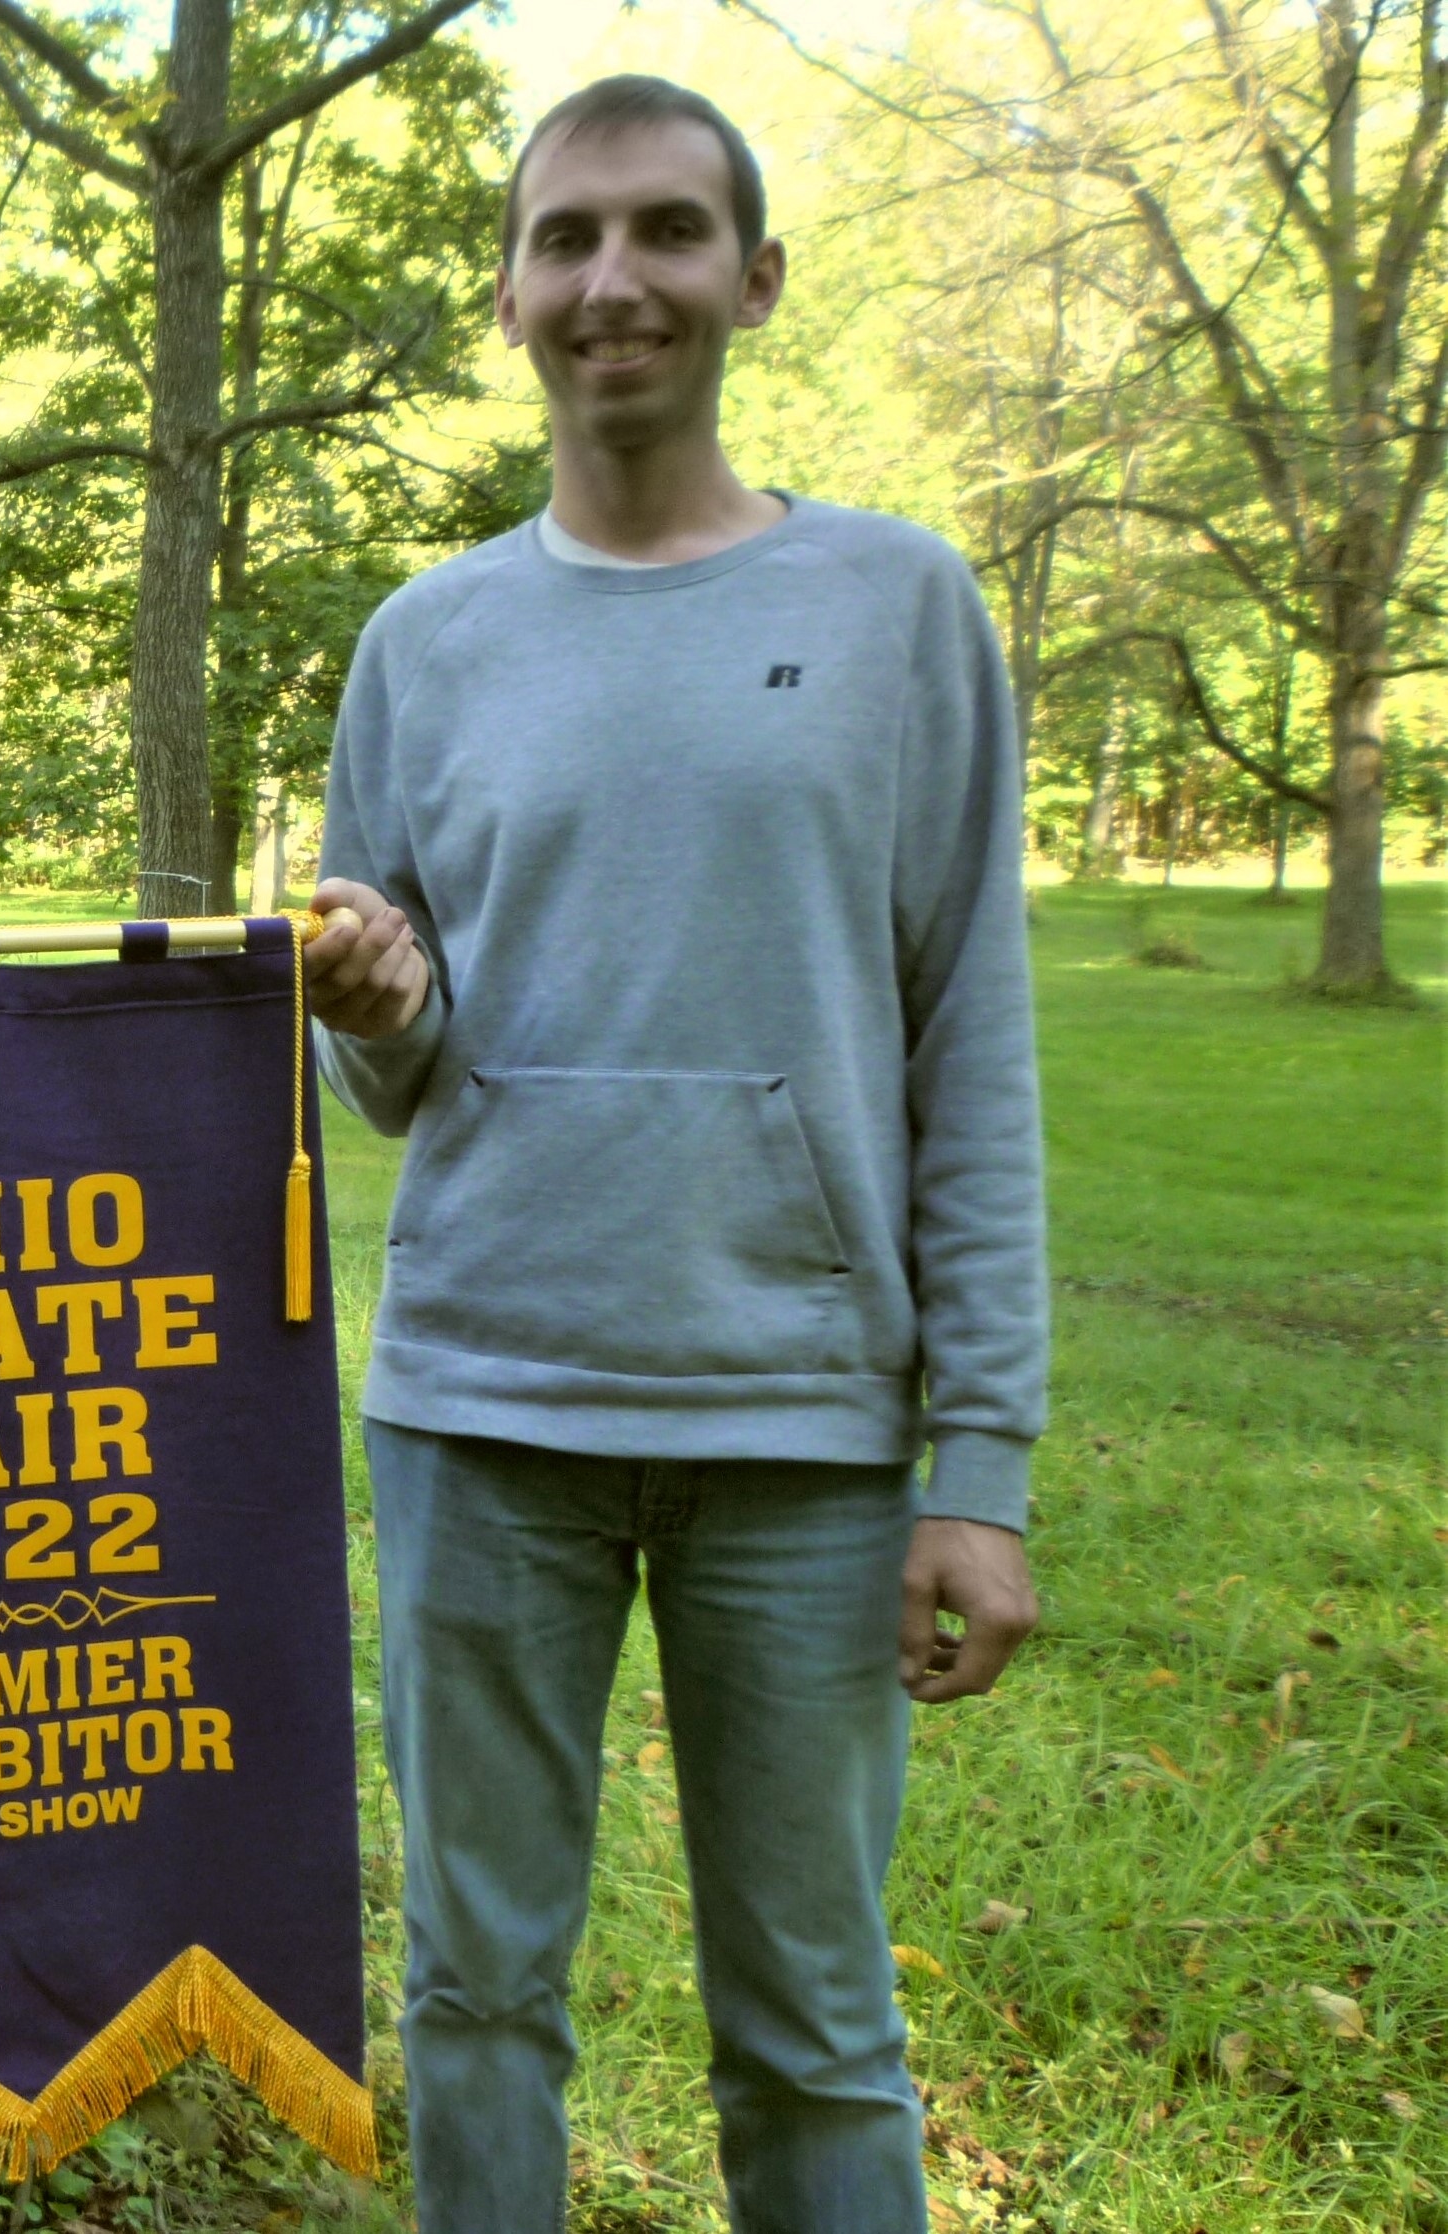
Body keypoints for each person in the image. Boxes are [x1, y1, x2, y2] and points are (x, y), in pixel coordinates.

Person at [299, 77, 1044, 2234]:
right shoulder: (419, 645)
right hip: (477, 1407)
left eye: (659, 233)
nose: (608, 282)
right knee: (471, 1990)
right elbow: (408, 1067)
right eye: (562, 241)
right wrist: (378, 1005)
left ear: (750, 276)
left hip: (801, 1436)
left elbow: (965, 1051)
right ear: (511, 293)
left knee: (813, 2020)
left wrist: (974, 1467)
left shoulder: (900, 608)